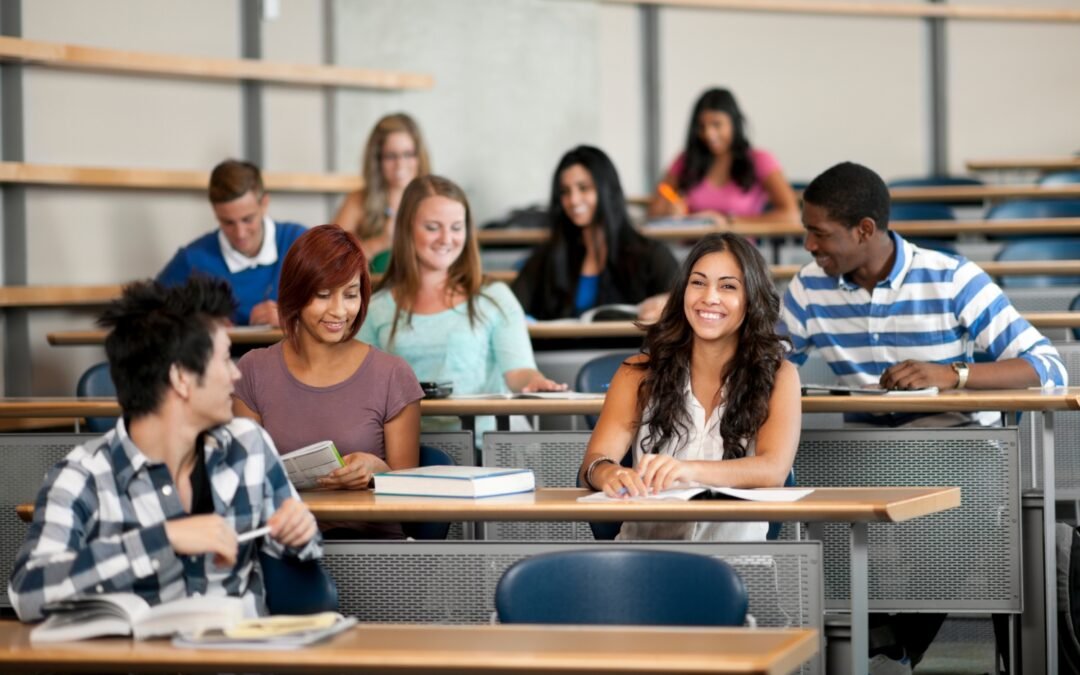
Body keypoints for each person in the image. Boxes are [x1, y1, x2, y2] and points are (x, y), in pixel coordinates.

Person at [779, 161, 1067, 674]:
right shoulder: (807, 289)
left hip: (955, 442)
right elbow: (769, 366)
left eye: (819, 233)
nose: (809, 245)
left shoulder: (952, 278)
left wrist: (953, 374)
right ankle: (864, 637)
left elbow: (1047, 366)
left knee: (967, 511)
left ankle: (893, 640)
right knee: (804, 496)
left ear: (864, 230)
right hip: (862, 447)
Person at [8, 278, 320, 622]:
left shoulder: (248, 445)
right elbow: (28, 592)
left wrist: (299, 532)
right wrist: (163, 540)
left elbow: (302, 549)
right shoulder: (82, 476)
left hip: (240, 650)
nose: (236, 374)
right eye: (224, 360)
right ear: (181, 377)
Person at [577, 232, 801, 541]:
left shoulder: (779, 375)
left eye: (728, 286)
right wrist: (608, 472)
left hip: (739, 559)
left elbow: (773, 470)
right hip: (644, 556)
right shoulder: (637, 372)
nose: (709, 297)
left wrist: (688, 470)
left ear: (752, 299)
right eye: (698, 283)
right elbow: (594, 462)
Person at [233, 225, 423, 539]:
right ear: (295, 294)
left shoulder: (392, 374)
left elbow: (413, 497)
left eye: (351, 295)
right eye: (323, 295)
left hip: (372, 550)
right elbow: (244, 485)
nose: (339, 311)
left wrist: (377, 471)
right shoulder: (253, 370)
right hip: (284, 546)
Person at [359, 175, 566, 439]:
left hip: (486, 446)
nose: (446, 238)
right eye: (432, 227)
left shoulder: (494, 297)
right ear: (406, 229)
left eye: (456, 227)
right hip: (409, 450)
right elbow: (363, 387)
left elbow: (519, 371)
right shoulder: (376, 308)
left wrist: (535, 382)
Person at [512, 145, 680, 322]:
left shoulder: (652, 256)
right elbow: (511, 307)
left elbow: (680, 306)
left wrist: (666, 304)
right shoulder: (546, 258)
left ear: (606, 190)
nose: (573, 200)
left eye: (584, 188)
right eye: (565, 192)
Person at [158, 159, 306, 327]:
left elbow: (330, 310)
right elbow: (148, 317)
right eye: (228, 222)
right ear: (215, 212)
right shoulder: (192, 259)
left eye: (247, 219)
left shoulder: (300, 243)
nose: (240, 233)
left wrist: (293, 318)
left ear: (264, 204)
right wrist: (195, 324)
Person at [648, 88, 798, 227]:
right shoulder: (685, 160)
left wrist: (728, 222)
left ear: (734, 123)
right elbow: (654, 212)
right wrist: (670, 211)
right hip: (694, 246)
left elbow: (791, 215)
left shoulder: (760, 160)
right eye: (702, 126)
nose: (708, 134)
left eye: (717, 124)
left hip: (738, 245)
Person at [333, 113, 432, 270]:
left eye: (408, 154)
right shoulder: (358, 200)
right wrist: (381, 242)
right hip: (374, 285)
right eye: (391, 156)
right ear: (377, 160)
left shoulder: (434, 199)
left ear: (419, 157)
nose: (400, 164)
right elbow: (330, 261)